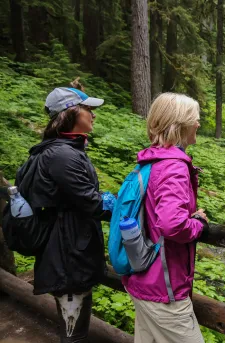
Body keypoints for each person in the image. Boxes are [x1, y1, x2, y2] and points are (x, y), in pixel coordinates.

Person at [18, 84, 112, 342]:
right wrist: (130, 207)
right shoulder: (62, 155)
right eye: (88, 109)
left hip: (68, 250)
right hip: (68, 255)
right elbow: (91, 203)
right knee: (74, 334)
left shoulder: (60, 150)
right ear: (70, 113)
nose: (93, 114)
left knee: (74, 329)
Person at [123, 93, 208, 343]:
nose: (198, 124)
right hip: (164, 288)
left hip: (143, 279)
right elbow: (172, 224)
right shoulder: (173, 165)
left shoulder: (152, 160)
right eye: (195, 118)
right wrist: (198, 224)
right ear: (180, 123)